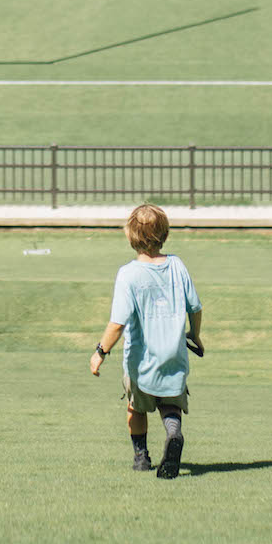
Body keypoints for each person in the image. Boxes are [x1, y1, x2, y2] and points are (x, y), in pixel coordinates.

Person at [88, 203, 203, 480]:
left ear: (131, 236)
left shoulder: (129, 274)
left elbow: (118, 323)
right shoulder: (177, 265)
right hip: (174, 357)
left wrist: (100, 351)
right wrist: (195, 335)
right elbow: (195, 307)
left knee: (136, 407)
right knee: (170, 405)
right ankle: (173, 434)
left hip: (141, 361)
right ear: (165, 234)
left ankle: (141, 457)